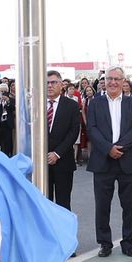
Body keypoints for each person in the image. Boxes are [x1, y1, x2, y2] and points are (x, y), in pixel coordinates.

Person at [86, 66, 132, 258]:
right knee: (102, 206)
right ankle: (105, 243)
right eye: (109, 78)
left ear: (123, 82)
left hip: (128, 159)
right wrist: (108, 148)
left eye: (117, 79)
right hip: (103, 161)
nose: (112, 82)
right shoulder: (95, 103)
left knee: (129, 206)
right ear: (104, 81)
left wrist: (119, 147)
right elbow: (92, 128)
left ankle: (129, 243)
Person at [45, 70, 81, 226]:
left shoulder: (71, 105)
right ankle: (46, 243)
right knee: (44, 204)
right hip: (42, 164)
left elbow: (73, 132)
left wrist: (57, 154)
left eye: (53, 82)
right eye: (47, 83)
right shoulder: (36, 105)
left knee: (63, 204)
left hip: (63, 162)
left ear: (61, 85)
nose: (50, 86)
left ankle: (66, 245)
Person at [0, 83, 16, 157]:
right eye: (1, 90)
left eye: (5, 90)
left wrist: (8, 102)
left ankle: (7, 156)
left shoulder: (11, 99)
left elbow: (14, 108)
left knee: (7, 143)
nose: (3, 92)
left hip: (8, 124)